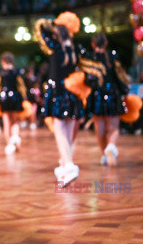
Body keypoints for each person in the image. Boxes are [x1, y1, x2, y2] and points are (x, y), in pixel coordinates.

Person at [34, 15, 82, 186]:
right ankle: (64, 163)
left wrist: (51, 23)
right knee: (67, 130)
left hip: (58, 91)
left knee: (59, 129)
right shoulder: (74, 49)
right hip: (71, 91)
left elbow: (39, 28)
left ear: (56, 35)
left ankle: (69, 165)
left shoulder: (55, 47)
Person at [84, 33, 129, 166]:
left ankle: (104, 153)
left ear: (93, 44)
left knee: (100, 128)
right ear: (105, 43)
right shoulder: (113, 56)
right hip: (113, 93)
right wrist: (124, 91)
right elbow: (119, 76)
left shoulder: (89, 57)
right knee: (113, 127)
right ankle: (111, 147)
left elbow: (86, 78)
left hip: (96, 94)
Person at [0, 52, 27, 154]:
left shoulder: (0, 73)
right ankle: (15, 138)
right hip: (16, 97)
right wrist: (24, 97)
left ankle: (9, 144)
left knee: (6, 122)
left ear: (3, 61)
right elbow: (21, 85)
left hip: (4, 98)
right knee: (15, 120)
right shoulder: (18, 71)